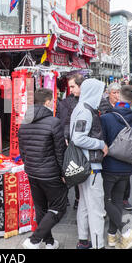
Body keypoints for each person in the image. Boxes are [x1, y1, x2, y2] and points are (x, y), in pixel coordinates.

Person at [19, 88, 68, 249]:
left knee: (41, 209)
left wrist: (29, 165)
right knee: (58, 208)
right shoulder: (53, 122)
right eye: (52, 101)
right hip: (50, 173)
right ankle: (34, 240)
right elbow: (60, 151)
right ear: (47, 102)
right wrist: (63, 173)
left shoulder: (24, 121)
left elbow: (23, 150)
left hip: (32, 171)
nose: (53, 104)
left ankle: (49, 242)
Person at [100, 86, 132, 249]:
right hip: (126, 168)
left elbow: (101, 143)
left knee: (104, 200)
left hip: (109, 166)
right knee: (117, 201)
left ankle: (125, 232)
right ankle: (112, 237)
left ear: (118, 98)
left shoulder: (106, 118)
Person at [70, 78, 108, 249]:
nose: (102, 96)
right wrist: (100, 144)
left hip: (83, 166)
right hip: (91, 166)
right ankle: (98, 244)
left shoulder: (81, 108)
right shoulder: (86, 111)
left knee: (85, 205)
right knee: (96, 209)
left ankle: (83, 240)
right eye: (100, 92)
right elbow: (78, 138)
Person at [56, 73, 85, 210]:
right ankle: (67, 197)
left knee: (79, 169)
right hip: (69, 142)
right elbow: (64, 122)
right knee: (69, 168)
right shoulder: (67, 102)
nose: (71, 90)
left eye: (73, 87)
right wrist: (66, 136)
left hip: (82, 143)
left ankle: (78, 198)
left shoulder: (90, 101)